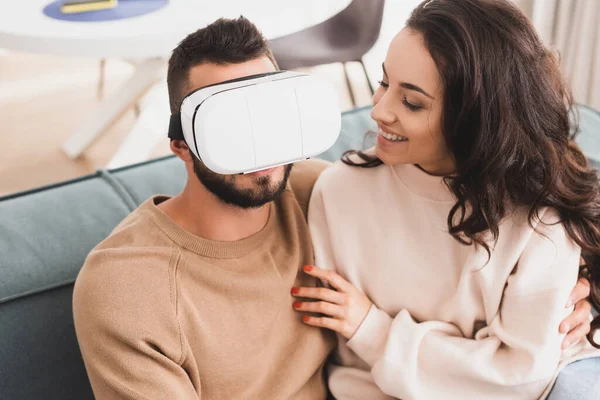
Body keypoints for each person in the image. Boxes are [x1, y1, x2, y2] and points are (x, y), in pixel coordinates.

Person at [72, 14, 592, 400]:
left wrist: (578, 302)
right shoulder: (127, 288)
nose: (260, 146)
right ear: (181, 144)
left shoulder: (316, 191)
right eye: (229, 126)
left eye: (269, 110)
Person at [291, 0, 600, 399]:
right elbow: (346, 362)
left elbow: (520, 379)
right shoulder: (339, 191)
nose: (379, 111)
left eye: (412, 102)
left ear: (474, 118)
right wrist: (466, 355)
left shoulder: (538, 219)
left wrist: (372, 328)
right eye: (384, 83)